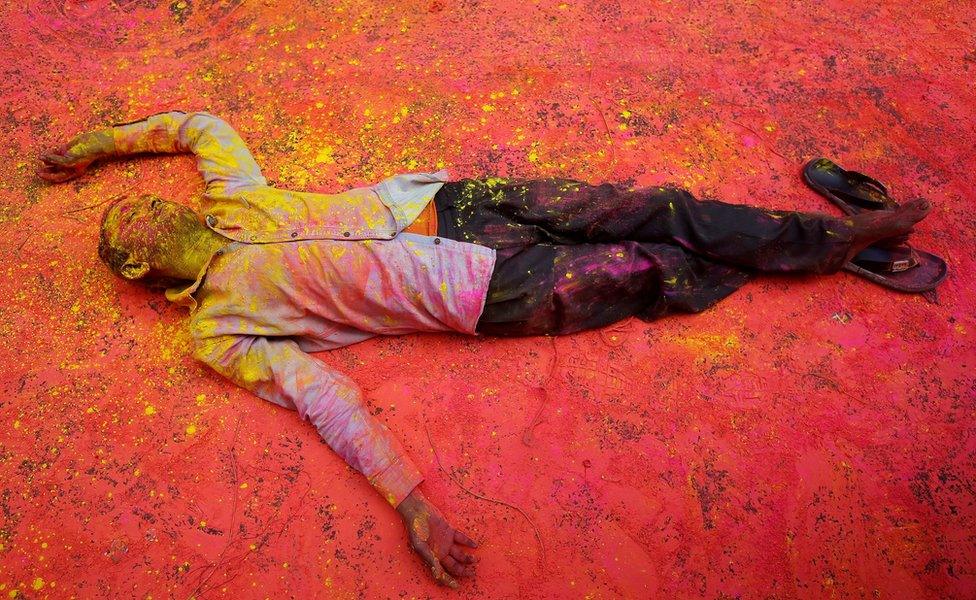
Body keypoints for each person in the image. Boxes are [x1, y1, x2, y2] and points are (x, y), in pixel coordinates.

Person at [36, 111, 929, 588]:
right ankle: (833, 253)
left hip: (458, 204)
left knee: (654, 203)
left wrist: (102, 147)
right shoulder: (217, 331)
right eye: (131, 224)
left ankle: (829, 242)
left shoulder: (232, 201)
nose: (149, 206)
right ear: (141, 266)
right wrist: (411, 503)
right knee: (651, 270)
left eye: (141, 200)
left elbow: (200, 127)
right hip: (480, 296)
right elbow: (321, 397)